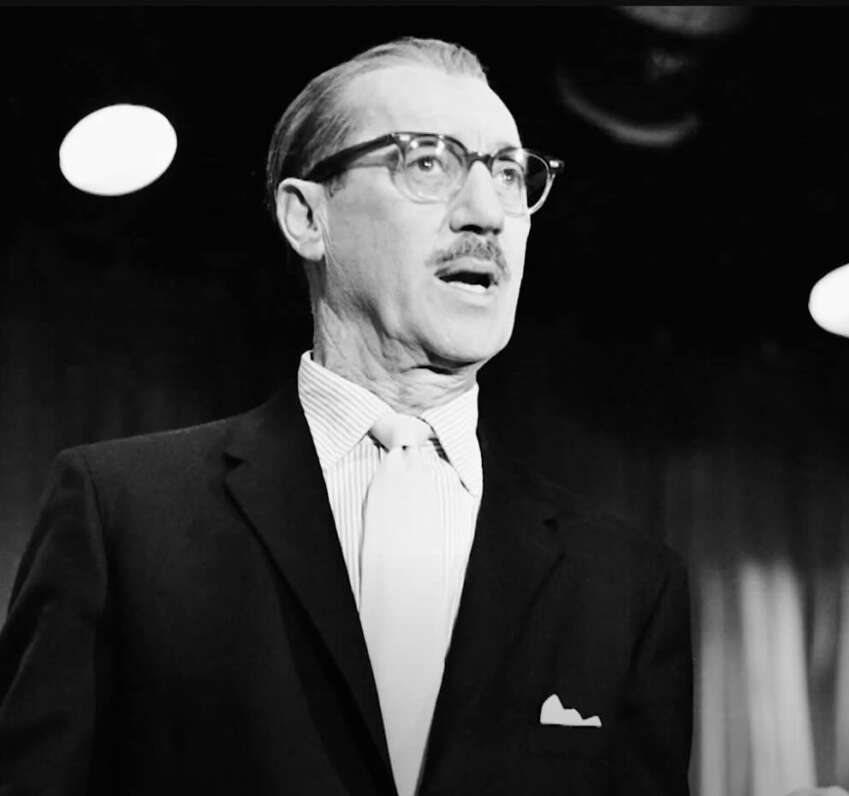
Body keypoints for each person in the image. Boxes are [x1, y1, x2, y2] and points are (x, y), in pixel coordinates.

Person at [0, 37, 693, 795]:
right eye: (428, 161)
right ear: (307, 216)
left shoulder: (627, 585)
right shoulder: (121, 515)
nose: (488, 212)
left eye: (507, 171)